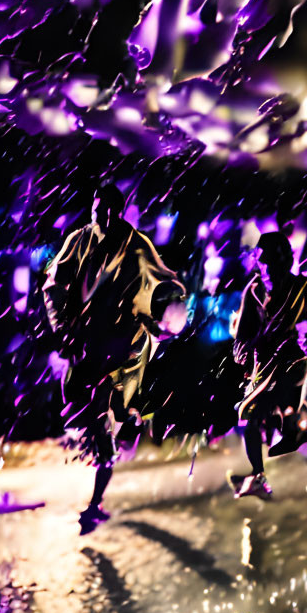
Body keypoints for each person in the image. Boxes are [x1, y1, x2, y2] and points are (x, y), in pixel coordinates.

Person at [41, 184, 186, 534]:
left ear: (119, 211)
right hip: (81, 342)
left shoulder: (137, 245)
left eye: (110, 211)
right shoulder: (79, 239)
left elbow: (167, 283)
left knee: (107, 415)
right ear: (91, 211)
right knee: (83, 409)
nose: (103, 218)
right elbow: (53, 285)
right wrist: (61, 325)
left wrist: (170, 314)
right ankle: (111, 433)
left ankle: (97, 491)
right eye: (97, 212)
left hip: (120, 346)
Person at [227, 231, 307, 499]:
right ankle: (260, 473)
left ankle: (303, 432)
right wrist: (241, 348)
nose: (267, 271)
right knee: (250, 417)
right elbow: (244, 330)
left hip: (293, 363)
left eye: (272, 264)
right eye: (263, 264)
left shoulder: (306, 288)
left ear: (285, 262)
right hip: (262, 365)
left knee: (256, 412)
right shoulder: (254, 290)